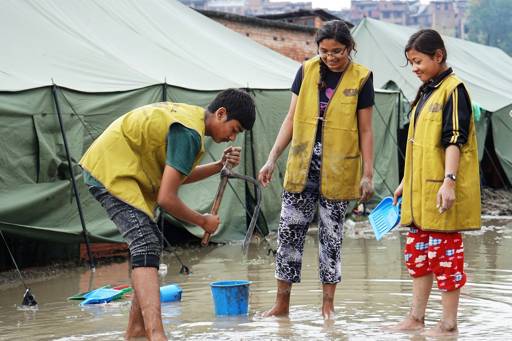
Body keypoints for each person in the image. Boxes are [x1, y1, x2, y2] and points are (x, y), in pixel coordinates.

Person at [80, 89, 255, 341]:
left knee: (147, 247)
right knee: (145, 243)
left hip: (118, 169)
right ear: (220, 114)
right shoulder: (189, 132)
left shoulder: (191, 120)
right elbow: (166, 198)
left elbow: (177, 173)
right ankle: (156, 334)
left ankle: (136, 331)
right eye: (234, 128)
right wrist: (202, 220)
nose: (232, 137)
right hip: (109, 171)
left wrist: (219, 166)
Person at [258, 20, 375, 320]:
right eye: (324, 51)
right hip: (301, 166)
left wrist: (368, 173)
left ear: (349, 48)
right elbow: (290, 118)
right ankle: (281, 304)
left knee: (331, 237)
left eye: (337, 51)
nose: (330, 57)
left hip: (339, 168)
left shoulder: (362, 78)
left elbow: (366, 130)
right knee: (289, 234)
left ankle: (327, 306)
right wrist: (272, 158)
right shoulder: (307, 70)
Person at [390, 29, 481, 336]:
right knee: (418, 257)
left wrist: (450, 182)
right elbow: (418, 146)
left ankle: (449, 322)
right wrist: (404, 182)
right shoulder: (428, 90)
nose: (414, 68)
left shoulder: (454, 90)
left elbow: (454, 139)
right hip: (419, 193)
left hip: (440, 192)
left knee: (445, 259)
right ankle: (416, 318)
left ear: (438, 56)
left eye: (418, 61)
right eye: (411, 63)